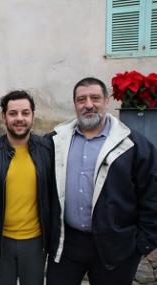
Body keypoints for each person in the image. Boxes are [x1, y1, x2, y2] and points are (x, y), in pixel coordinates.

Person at [46, 77, 157, 285]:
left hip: (116, 247)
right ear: (75, 104)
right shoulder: (55, 141)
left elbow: (151, 195)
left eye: (95, 98)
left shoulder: (134, 145)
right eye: (81, 99)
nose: (88, 105)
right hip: (67, 245)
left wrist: (141, 244)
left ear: (106, 101)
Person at [0, 90, 56, 285]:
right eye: (13, 113)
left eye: (25, 113)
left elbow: (55, 197)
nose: (20, 119)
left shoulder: (47, 149)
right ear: (4, 117)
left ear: (33, 116)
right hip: (1, 244)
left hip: (36, 243)